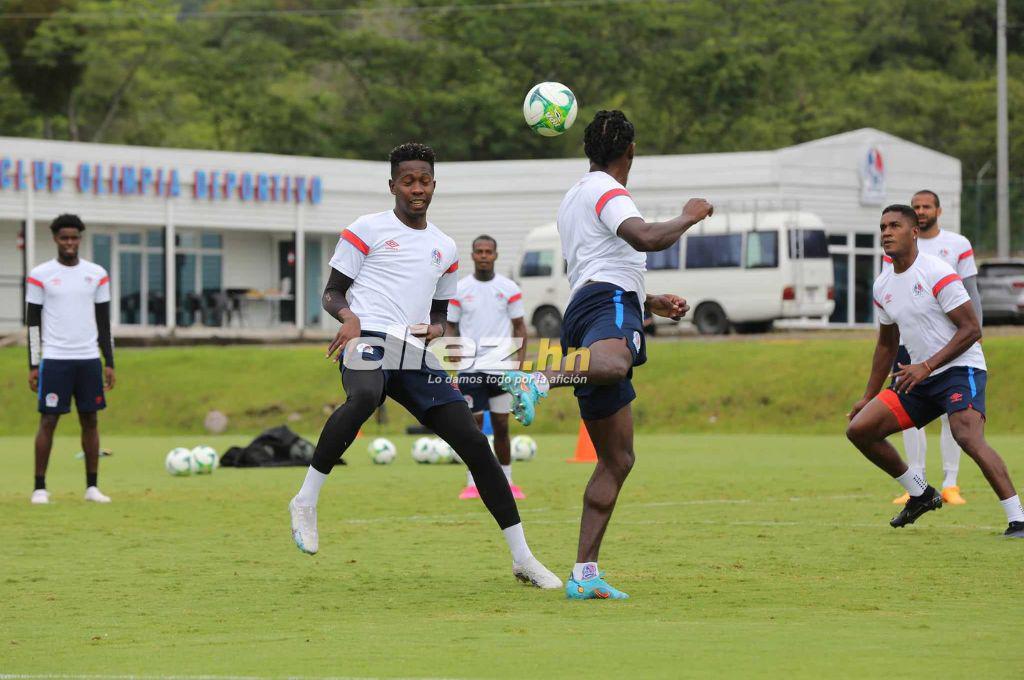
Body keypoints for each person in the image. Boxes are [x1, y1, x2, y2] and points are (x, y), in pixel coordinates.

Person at [287, 143, 561, 589]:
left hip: (411, 352)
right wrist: (350, 319)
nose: (417, 189)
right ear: (392, 185)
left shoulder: (445, 248)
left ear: (435, 185)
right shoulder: (365, 229)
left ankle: (523, 558)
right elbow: (332, 293)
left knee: (475, 444)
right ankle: (305, 500)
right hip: (368, 336)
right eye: (408, 181)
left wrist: (435, 328)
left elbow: (438, 312)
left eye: (424, 181)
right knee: (364, 397)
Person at [500, 110, 714, 598]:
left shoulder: (575, 195)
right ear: (631, 150)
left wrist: (647, 302)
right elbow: (645, 238)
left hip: (591, 308)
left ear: (587, 149)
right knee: (616, 364)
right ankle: (537, 379)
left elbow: (600, 262)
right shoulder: (607, 191)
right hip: (604, 307)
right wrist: (690, 213)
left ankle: (584, 574)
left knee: (617, 458)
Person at [846, 204, 1023, 537]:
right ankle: (921, 493)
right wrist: (867, 396)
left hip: (960, 368)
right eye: (882, 226)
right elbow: (886, 345)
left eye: (895, 225)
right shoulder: (882, 285)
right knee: (860, 429)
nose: (886, 232)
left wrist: (927, 366)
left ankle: (1018, 517)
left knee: (966, 435)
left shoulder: (937, 272)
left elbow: (971, 329)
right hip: (919, 377)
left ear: (914, 232)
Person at [884, 190, 981, 506]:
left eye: (926, 206)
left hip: (948, 343)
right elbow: (889, 293)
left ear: (938, 210)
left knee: (948, 414)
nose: (922, 211)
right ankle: (916, 480)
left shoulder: (957, 244)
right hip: (908, 344)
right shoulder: (894, 243)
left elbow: (970, 292)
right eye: (916, 207)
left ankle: (951, 482)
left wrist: (976, 331)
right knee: (908, 415)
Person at [26, 213, 115, 505]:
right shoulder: (40, 274)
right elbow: (33, 323)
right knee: (48, 420)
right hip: (55, 359)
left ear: (80, 239)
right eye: (64, 238)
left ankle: (92, 487)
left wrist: (109, 361)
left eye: (74, 238)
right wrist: (33, 364)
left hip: (88, 359)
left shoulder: (97, 273)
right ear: (55, 239)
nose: (69, 243)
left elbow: (104, 323)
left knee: (90, 420)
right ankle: (40, 487)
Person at [447, 235, 529, 500]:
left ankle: (508, 482)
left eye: (488, 252)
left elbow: (519, 327)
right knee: (474, 431)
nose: (483, 255)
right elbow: (451, 325)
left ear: (495, 255)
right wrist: (453, 346)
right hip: (471, 369)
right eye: (479, 251)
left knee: (502, 427)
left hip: (501, 369)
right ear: (472, 255)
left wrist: (519, 364)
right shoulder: (460, 289)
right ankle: (473, 483)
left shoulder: (508, 288)